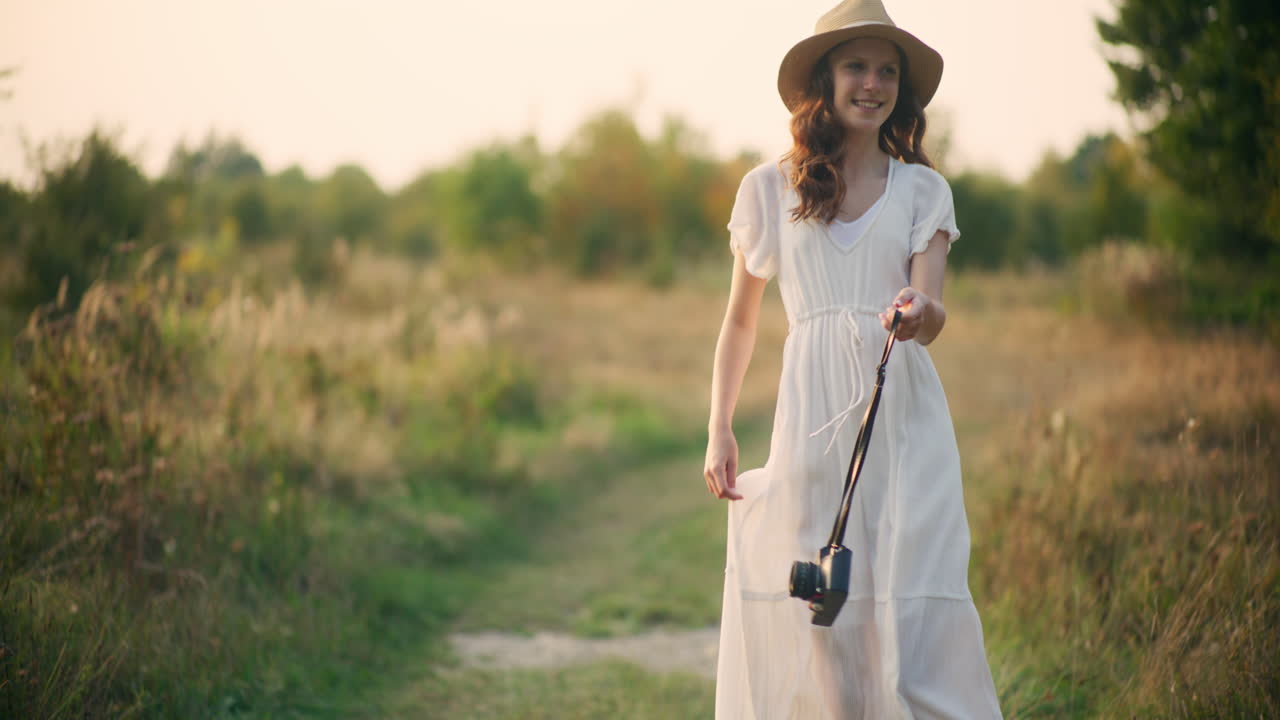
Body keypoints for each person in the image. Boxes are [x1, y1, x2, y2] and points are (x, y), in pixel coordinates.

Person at [702, 1, 1003, 717]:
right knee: (828, 611)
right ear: (825, 81)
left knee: (910, 605)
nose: (873, 84)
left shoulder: (923, 190)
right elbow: (741, 321)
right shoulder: (769, 189)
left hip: (902, 418)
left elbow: (929, 313)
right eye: (857, 67)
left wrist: (916, 313)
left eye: (887, 71)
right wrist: (718, 426)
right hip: (811, 421)